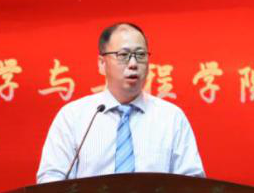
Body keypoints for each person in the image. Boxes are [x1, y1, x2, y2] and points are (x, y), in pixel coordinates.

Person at [36, 22, 205, 183]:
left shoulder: (171, 117)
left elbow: (193, 183)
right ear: (102, 64)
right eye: (123, 55)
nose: (133, 64)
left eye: (140, 55)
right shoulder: (73, 116)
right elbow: (51, 180)